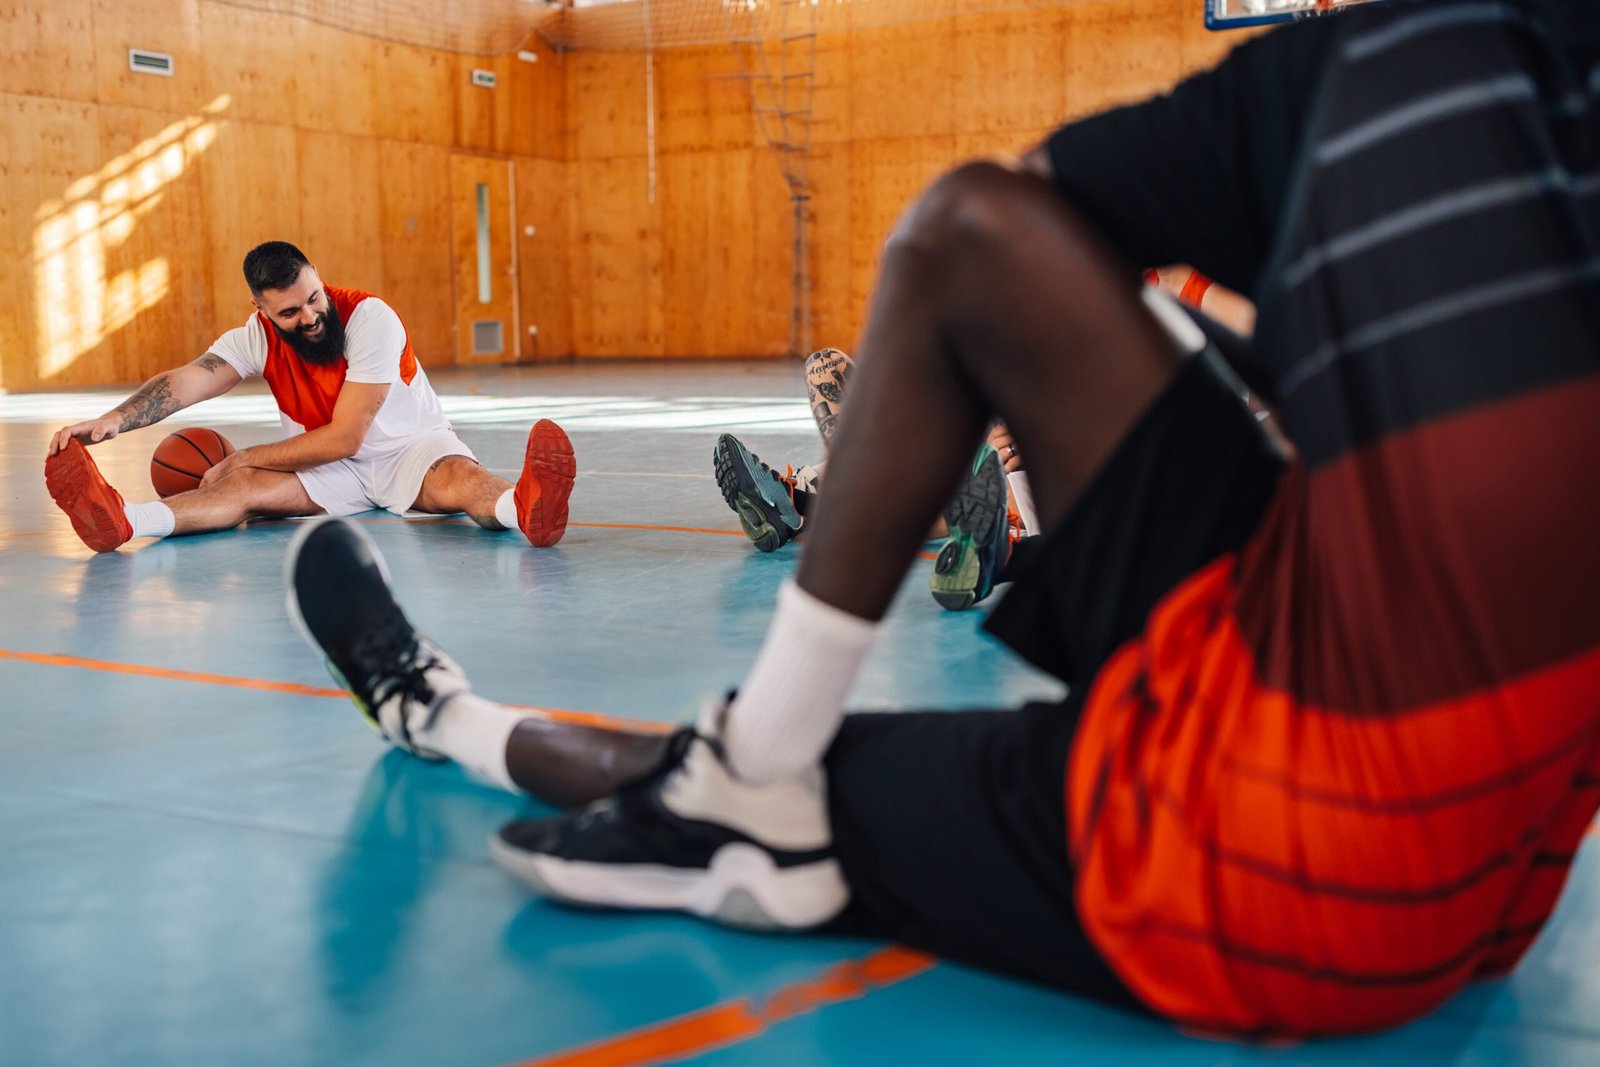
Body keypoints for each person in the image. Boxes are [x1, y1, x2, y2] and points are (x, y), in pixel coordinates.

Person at [291, 0, 1600, 1038]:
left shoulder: (1406, 66)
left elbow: (1009, 226)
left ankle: (448, 712)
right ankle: (936, 553)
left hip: (1298, 872)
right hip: (1508, 853)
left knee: (761, 775)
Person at [44, 241, 575, 553]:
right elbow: (188, 380)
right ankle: (124, 521)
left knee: (462, 481)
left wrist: (244, 456)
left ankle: (525, 507)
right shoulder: (256, 337)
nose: (310, 316)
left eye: (313, 298)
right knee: (243, 488)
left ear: (318, 277)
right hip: (329, 472)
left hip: (409, 450)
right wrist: (114, 419)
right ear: (260, 309)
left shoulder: (371, 317)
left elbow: (346, 437)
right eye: (290, 313)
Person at [713, 346, 1025, 611]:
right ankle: (800, 502)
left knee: (993, 473)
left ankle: (803, 503)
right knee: (826, 365)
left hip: (999, 478)